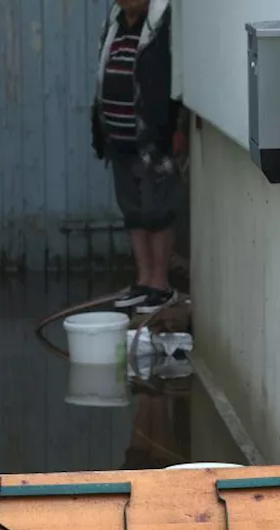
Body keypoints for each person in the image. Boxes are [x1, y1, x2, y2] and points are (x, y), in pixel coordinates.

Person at [91, 0, 185, 315]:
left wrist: (178, 126)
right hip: (119, 138)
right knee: (132, 210)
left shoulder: (162, 24)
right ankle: (143, 281)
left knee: (157, 210)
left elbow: (173, 75)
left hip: (152, 136)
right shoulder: (116, 22)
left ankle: (160, 285)